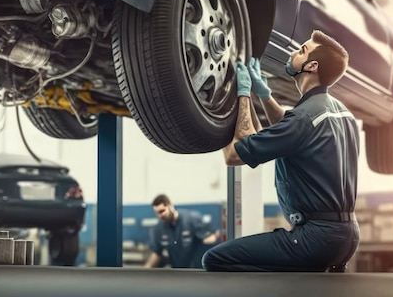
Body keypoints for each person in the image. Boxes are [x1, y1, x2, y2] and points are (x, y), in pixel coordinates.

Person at [201, 29, 360, 272]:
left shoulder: (303, 119)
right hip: (347, 236)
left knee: (215, 259)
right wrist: (264, 94)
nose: (294, 53)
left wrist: (239, 95)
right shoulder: (340, 112)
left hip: (316, 239)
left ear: (311, 66)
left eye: (302, 50)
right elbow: (292, 130)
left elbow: (234, 155)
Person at [145, 194, 220, 269]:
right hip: (177, 272)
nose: (160, 215)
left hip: (195, 272)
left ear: (170, 206)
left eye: (162, 211)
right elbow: (156, 253)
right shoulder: (159, 229)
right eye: (157, 213)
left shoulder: (191, 219)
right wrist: (145, 272)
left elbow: (213, 236)